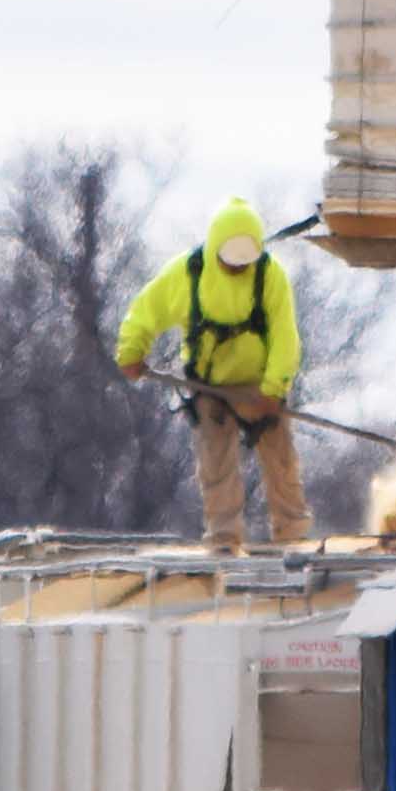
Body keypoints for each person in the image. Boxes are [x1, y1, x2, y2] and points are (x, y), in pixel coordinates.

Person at [114, 195, 314, 551]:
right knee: (216, 464)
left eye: (244, 263)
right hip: (211, 387)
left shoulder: (270, 276)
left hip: (260, 389)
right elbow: (146, 311)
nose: (238, 269)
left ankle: (292, 533)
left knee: (280, 459)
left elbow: (286, 336)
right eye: (230, 263)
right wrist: (132, 352)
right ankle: (224, 538)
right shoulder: (187, 274)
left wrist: (274, 387)